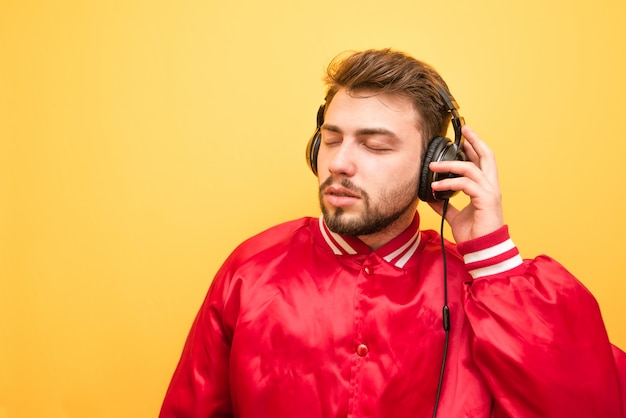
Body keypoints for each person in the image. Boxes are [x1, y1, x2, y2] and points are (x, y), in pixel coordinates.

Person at [160, 48, 625, 417]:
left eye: (376, 145)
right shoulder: (250, 271)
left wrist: (493, 259)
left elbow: (592, 407)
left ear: (434, 166)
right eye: (332, 137)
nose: (339, 162)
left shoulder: (485, 287)